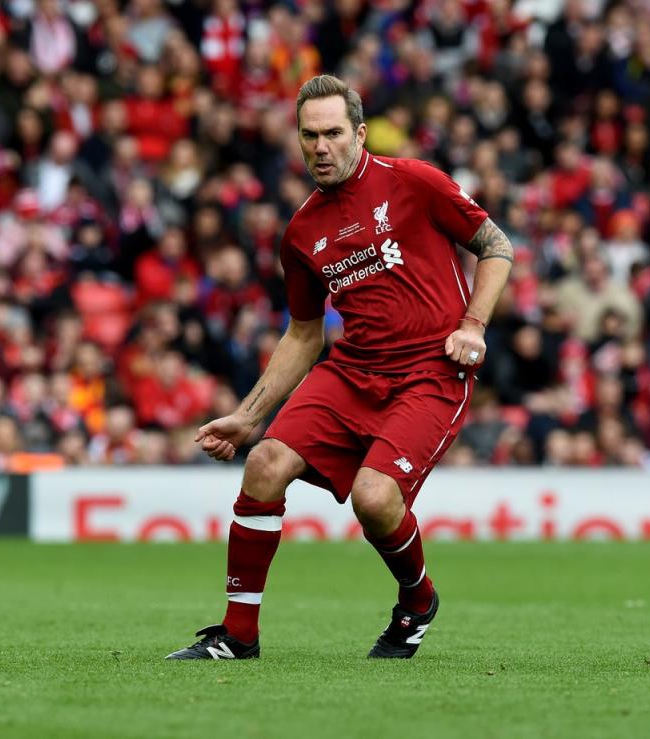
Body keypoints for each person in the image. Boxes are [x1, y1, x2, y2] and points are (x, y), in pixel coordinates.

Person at [166, 75, 513, 661]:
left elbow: (496, 245)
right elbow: (303, 333)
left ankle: (417, 600)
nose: (320, 147)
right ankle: (238, 636)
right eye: (309, 136)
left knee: (373, 499)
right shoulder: (301, 231)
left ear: (358, 133)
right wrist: (249, 417)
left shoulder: (414, 182)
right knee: (265, 465)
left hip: (432, 370)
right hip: (352, 369)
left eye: (331, 134)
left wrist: (473, 325)